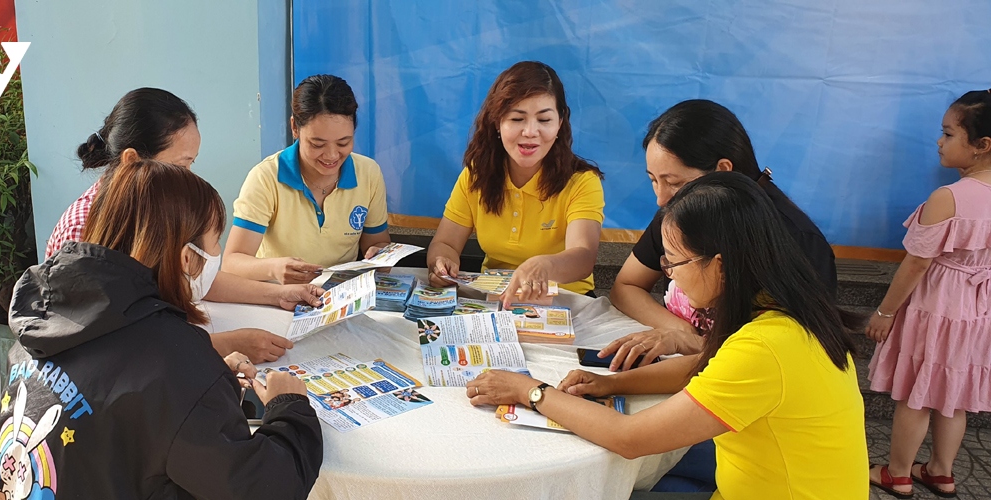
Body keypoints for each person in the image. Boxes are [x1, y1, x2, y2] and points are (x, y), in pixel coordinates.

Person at [465, 172, 868, 500]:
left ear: (721, 265)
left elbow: (630, 437)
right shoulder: (781, 313)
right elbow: (701, 367)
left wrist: (531, 392)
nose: (669, 274)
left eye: (674, 261)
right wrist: (610, 383)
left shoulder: (768, 345)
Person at [0, 160, 324, 500]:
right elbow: (264, 495)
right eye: (215, 245)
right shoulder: (172, 357)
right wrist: (290, 409)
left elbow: (112, 404)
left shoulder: (43, 318)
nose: (217, 257)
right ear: (187, 258)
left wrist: (205, 383)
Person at [46, 87, 319, 362]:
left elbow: (195, 278)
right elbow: (110, 349)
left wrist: (278, 294)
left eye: (192, 164)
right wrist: (220, 345)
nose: (188, 177)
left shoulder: (154, 208)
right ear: (133, 161)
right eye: (180, 165)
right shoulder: (85, 233)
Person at [602, 99, 836, 371]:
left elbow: (793, 355)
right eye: (653, 180)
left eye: (674, 183)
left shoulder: (797, 241)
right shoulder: (676, 214)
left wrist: (697, 343)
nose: (661, 199)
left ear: (723, 170)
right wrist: (681, 333)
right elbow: (626, 287)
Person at [867, 90, 991, 499]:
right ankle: (941, 470)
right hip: (978, 309)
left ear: (981, 146)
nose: (939, 142)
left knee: (917, 393)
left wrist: (885, 313)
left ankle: (898, 472)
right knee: (952, 397)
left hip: (937, 304)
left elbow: (916, 264)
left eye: (949, 133)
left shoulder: (949, 198)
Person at [426, 61, 604, 303]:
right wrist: (442, 263)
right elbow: (445, 243)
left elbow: (583, 257)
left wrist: (543, 266)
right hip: (494, 300)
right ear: (497, 122)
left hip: (567, 303)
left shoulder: (582, 182)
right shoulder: (476, 174)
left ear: (560, 124)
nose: (530, 132)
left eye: (544, 120)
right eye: (518, 119)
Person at [224, 75, 391, 283]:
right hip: (278, 296)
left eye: (343, 143)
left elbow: (377, 242)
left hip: (340, 295)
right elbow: (232, 262)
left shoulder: (368, 173)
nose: (331, 156)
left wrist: (380, 254)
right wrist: (274, 269)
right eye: (318, 144)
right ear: (295, 128)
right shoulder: (266, 178)